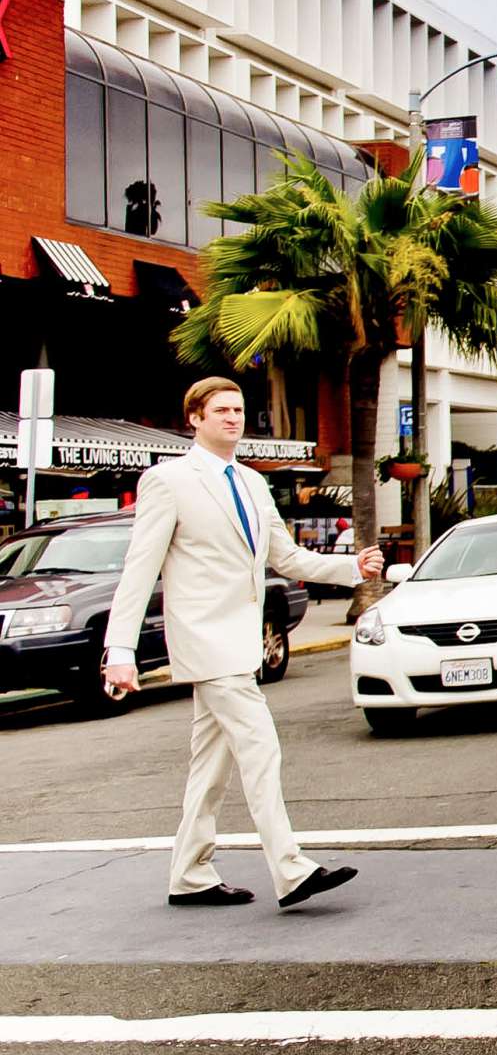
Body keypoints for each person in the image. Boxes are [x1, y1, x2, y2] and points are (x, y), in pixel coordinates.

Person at [102, 378, 383, 910]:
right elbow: (140, 570)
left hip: (241, 643)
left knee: (211, 762)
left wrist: (350, 567)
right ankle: (290, 867)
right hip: (205, 642)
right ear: (196, 419)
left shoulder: (253, 484)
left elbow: (288, 559)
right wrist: (120, 651)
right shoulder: (168, 481)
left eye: (238, 410)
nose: (233, 418)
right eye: (221, 410)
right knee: (259, 746)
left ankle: (190, 873)